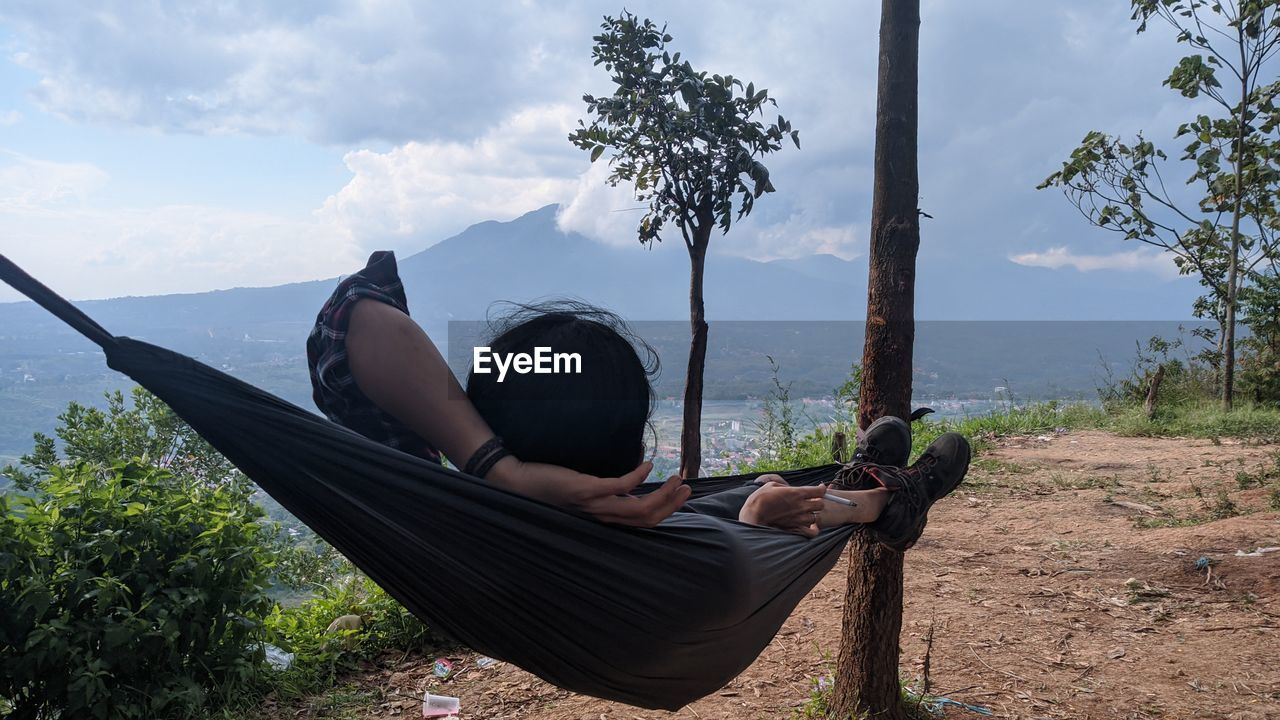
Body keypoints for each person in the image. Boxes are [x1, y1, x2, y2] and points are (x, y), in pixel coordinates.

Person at [308, 252, 969, 545]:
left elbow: (353, 317)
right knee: (751, 501)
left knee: (703, 499)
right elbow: (724, 591)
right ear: (630, 441)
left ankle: (859, 484)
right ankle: (886, 498)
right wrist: (756, 524)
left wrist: (496, 469)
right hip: (694, 553)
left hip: (526, 512)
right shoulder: (665, 567)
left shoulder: (443, 510)